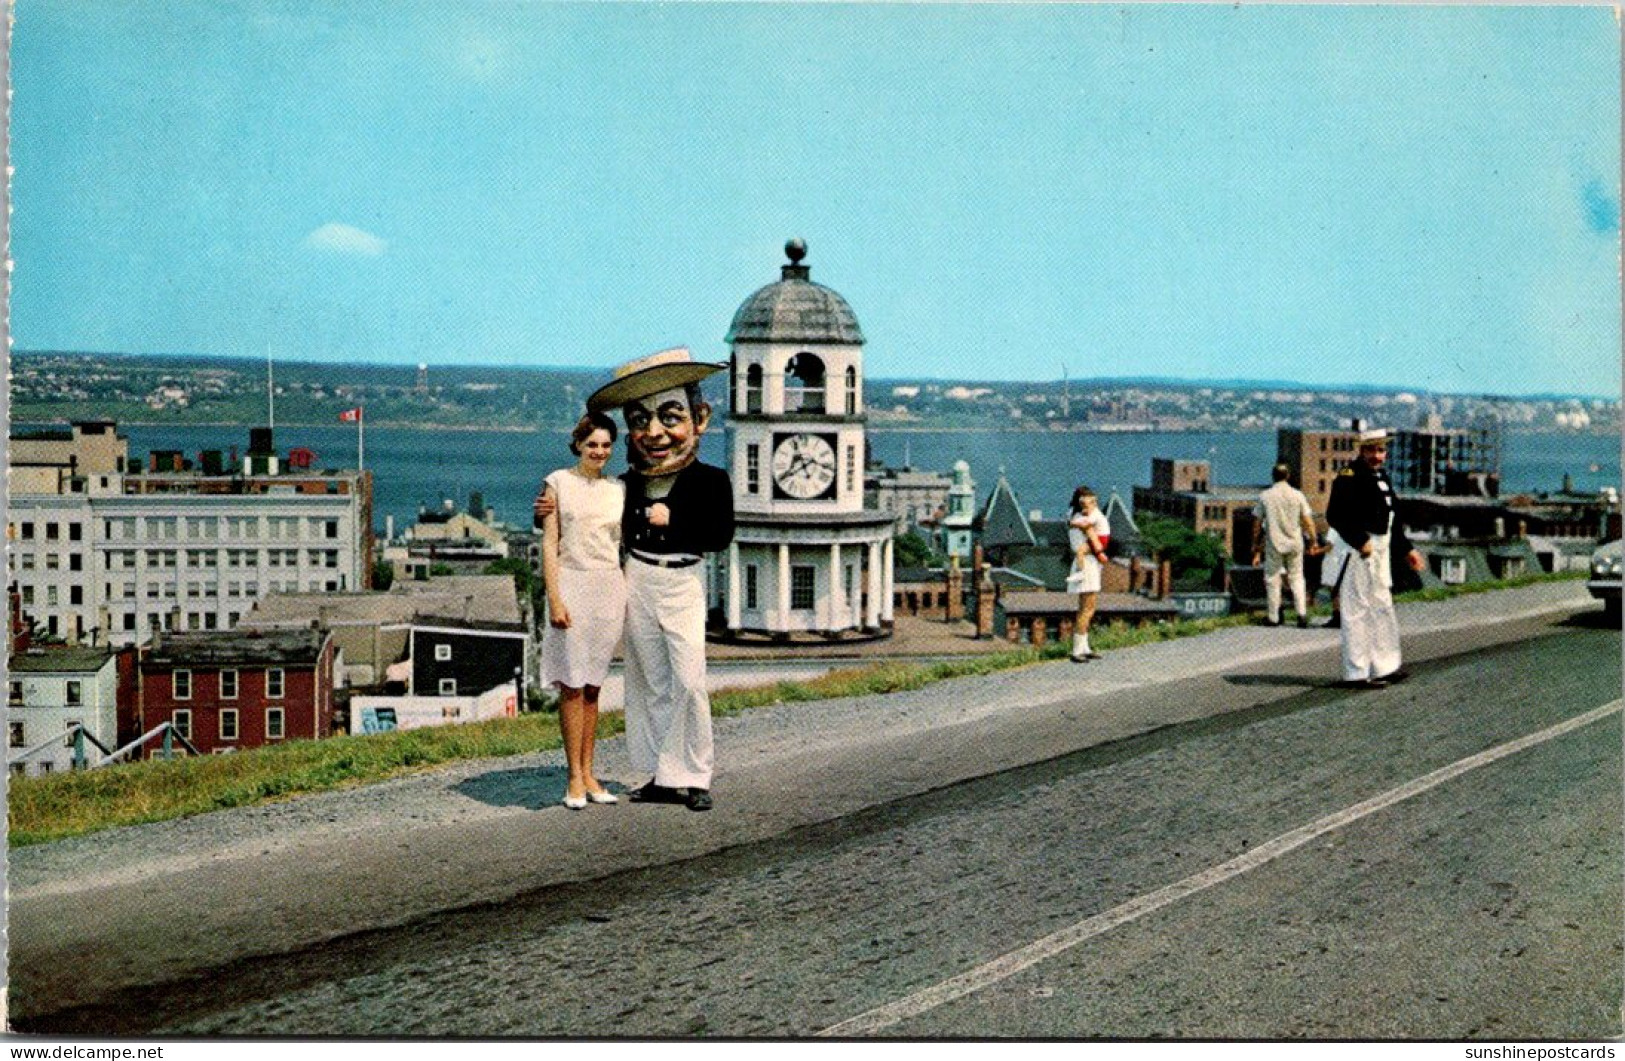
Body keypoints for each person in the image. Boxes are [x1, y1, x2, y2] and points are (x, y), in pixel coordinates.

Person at [591, 347, 733, 812]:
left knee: (689, 678)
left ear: (700, 419)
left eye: (670, 417)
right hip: (639, 578)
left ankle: (694, 774)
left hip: (683, 580)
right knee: (648, 678)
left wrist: (672, 522)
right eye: (640, 420)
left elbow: (719, 535)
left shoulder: (711, 481)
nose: (655, 433)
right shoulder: (627, 483)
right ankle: (659, 773)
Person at [535, 412, 626, 810]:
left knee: (593, 686)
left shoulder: (619, 490)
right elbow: (549, 544)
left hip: (608, 587)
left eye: (606, 445)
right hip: (571, 585)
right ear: (578, 446)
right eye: (593, 445)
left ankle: (590, 772)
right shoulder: (557, 483)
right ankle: (572, 775)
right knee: (571, 685)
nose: (600, 452)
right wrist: (555, 598)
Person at [1325, 428, 1425, 688]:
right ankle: (1356, 671)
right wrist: (1360, 540)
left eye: (1381, 450)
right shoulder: (1349, 476)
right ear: (1361, 450)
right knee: (1357, 609)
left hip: (1382, 547)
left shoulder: (1381, 477)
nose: (1377, 456)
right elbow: (1336, 515)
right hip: (1360, 549)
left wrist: (1407, 549)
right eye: (1372, 450)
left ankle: (1385, 666)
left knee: (1382, 604)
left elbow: (1393, 520)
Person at [1253, 463, 1318, 628]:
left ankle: (1273, 616)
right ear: (1288, 476)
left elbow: (1257, 523)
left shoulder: (1265, 496)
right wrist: (1313, 540)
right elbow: (1308, 521)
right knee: (1297, 577)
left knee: (1272, 579)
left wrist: (1256, 545)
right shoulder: (1298, 495)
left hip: (1274, 542)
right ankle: (1301, 614)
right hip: (1295, 541)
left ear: (1273, 476)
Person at [1066, 485, 1111, 663]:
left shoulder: (1076, 515)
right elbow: (1090, 533)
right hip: (1088, 564)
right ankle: (1077, 649)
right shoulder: (1083, 518)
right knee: (1087, 608)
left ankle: (1084, 646)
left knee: (1086, 608)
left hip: (1088, 562)